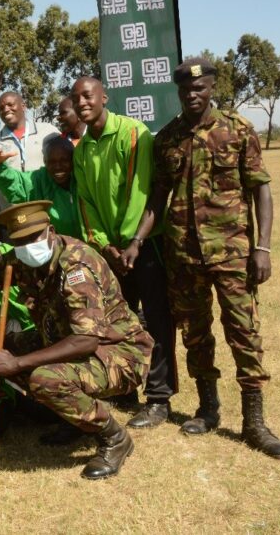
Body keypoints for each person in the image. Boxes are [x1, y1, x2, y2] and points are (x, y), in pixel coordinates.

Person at [128, 58, 280, 459]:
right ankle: (208, 408)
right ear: (178, 92)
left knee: (244, 333)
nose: (192, 95)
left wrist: (262, 247)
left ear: (212, 88)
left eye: (199, 89)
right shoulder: (167, 139)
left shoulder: (237, 130)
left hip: (233, 253)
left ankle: (254, 423)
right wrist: (136, 240)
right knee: (195, 334)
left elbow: (260, 190)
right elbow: (155, 201)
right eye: (185, 90)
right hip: (183, 257)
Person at [0, 201, 153, 480]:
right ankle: (76, 419)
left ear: (50, 231)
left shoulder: (76, 265)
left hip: (117, 352)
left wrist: (18, 364)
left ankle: (114, 437)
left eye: (33, 238)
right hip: (64, 339)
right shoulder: (20, 259)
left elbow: (86, 340)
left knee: (43, 378)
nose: (27, 246)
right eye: (19, 241)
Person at [71, 75, 176, 429]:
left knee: (158, 319)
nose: (83, 103)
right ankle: (125, 386)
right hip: (112, 252)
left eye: (88, 96)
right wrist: (104, 245)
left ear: (105, 97)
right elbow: (85, 201)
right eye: (77, 98)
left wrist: (134, 242)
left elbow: (141, 190)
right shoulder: (82, 150)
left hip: (144, 245)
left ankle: (160, 397)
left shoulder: (133, 133)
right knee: (120, 321)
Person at [0, 91, 61, 229]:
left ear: (23, 106)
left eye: (10, 104)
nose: (6, 109)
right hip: (14, 221)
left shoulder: (48, 132)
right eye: (1, 108)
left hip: (50, 215)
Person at [0, 138, 80, 238]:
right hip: (67, 247)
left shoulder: (83, 176)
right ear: (45, 161)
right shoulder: (40, 180)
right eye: (52, 162)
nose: (58, 166)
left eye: (64, 160)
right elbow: (17, 184)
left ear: (73, 159)